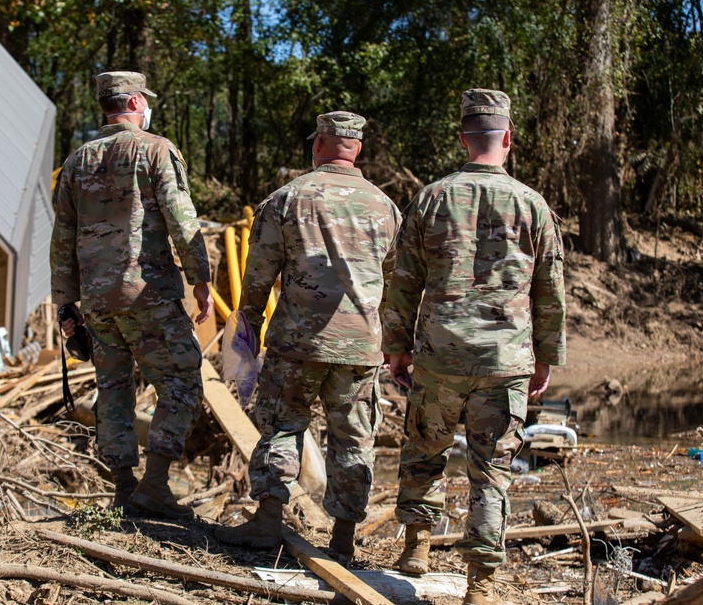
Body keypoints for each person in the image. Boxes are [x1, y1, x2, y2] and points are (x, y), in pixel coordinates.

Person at [382, 89, 566, 605]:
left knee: (423, 449)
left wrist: (396, 346)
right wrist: (546, 357)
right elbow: (551, 288)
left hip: (440, 354)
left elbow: (403, 280)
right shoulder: (532, 204)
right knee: (492, 470)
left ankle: (416, 547)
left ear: (463, 138)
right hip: (504, 357)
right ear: (507, 138)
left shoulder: (432, 197)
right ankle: (480, 584)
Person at [216, 111, 401, 563]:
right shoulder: (385, 207)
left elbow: (256, 279)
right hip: (360, 345)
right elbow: (397, 283)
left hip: (296, 344)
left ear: (318, 144)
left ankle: (267, 521)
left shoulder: (286, 200)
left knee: (282, 428)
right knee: (354, 439)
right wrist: (394, 343)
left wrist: (247, 337)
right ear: (356, 148)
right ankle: (342, 539)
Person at [50, 71, 214, 520]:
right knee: (181, 384)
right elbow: (182, 218)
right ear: (137, 102)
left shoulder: (76, 162)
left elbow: (62, 236)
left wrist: (65, 303)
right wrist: (201, 279)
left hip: (97, 304)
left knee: (113, 391)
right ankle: (155, 485)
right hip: (150, 295)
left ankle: (123, 489)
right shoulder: (156, 149)